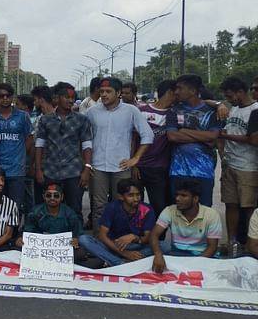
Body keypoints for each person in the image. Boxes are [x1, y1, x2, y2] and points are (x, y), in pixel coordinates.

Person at [86, 77, 153, 232]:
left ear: (118, 93)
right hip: (98, 167)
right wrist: (87, 163)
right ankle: (99, 243)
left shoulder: (131, 111)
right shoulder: (92, 112)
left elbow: (148, 135)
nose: (103, 95)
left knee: (123, 204)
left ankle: (120, 240)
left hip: (121, 166)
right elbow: (85, 138)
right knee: (99, 207)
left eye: (108, 91)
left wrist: (135, 158)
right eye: (102, 91)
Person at [166, 74, 222, 206]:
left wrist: (184, 131)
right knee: (179, 210)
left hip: (203, 171)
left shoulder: (211, 112)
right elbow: (172, 136)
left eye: (180, 88)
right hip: (178, 171)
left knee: (203, 210)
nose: (176, 92)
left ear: (193, 91)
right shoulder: (174, 110)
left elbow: (213, 137)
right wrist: (203, 136)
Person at [218, 76, 258, 253]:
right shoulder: (232, 109)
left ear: (240, 92)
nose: (228, 100)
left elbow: (253, 140)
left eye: (230, 96)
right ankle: (232, 240)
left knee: (248, 207)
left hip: (248, 166)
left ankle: (250, 243)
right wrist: (222, 150)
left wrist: (224, 136)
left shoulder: (255, 110)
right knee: (231, 204)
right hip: (230, 164)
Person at [79, 179, 158, 266]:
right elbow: (102, 236)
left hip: (137, 246)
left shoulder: (147, 209)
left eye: (138, 195)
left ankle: (111, 260)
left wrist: (134, 237)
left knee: (163, 246)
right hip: (113, 246)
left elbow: (146, 239)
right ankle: (120, 262)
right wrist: (125, 253)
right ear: (121, 196)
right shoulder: (112, 207)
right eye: (131, 195)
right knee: (84, 239)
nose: (136, 199)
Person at [150, 179, 223, 273]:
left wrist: (194, 264)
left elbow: (212, 247)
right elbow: (154, 235)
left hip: (202, 256)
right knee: (152, 252)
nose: (177, 199)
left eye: (183, 196)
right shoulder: (169, 210)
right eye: (177, 195)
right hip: (176, 253)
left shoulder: (211, 215)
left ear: (195, 199)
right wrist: (158, 254)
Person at [18, 182, 95, 265]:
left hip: (62, 252)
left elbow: (78, 235)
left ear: (62, 197)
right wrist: (21, 240)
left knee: (81, 253)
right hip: (39, 249)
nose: (52, 198)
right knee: (19, 250)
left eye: (56, 196)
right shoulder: (35, 212)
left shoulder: (70, 214)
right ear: (43, 196)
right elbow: (28, 232)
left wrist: (75, 240)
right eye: (48, 195)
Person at [0, 83, 33, 210]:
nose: (5, 98)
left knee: (15, 206)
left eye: (8, 95)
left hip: (17, 170)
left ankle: (15, 230)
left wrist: (21, 154)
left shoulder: (22, 116)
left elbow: (29, 138)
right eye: (1, 96)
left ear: (12, 98)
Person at [134, 79, 176, 219]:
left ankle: (159, 237)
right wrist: (133, 164)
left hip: (159, 169)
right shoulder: (142, 111)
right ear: (171, 92)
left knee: (159, 206)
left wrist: (218, 104)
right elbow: (133, 139)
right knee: (135, 205)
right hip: (138, 168)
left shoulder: (174, 113)